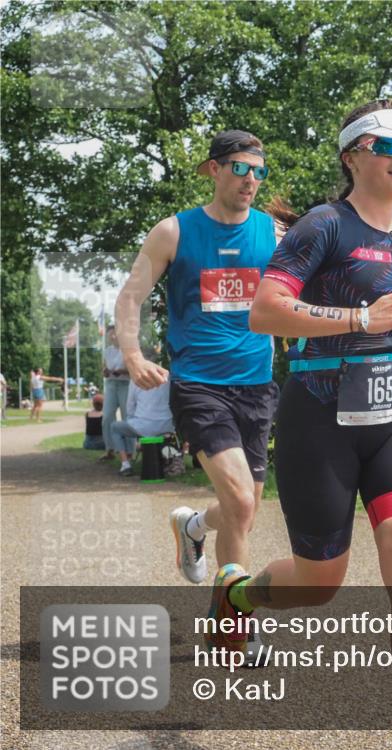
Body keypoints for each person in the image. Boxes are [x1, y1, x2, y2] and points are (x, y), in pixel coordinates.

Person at [208, 99, 392, 750]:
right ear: (353, 156)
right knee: (319, 585)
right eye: (389, 146)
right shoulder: (323, 227)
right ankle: (237, 595)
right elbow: (265, 312)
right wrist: (362, 319)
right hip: (320, 417)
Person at [114, 130, 280, 584]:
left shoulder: (272, 233)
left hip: (257, 385)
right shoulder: (174, 231)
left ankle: (193, 527)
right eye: (240, 168)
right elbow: (130, 298)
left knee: (244, 509)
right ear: (214, 169)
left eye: (259, 172)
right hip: (199, 385)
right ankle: (232, 616)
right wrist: (133, 356)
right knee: (240, 501)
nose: (250, 179)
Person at [108, 376, 174, 476]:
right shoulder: (168, 377)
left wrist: (132, 421)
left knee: (115, 427)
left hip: (144, 427)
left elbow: (130, 408)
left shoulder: (136, 379)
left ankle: (125, 465)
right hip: (167, 426)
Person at [99, 325, 131, 461]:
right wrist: (105, 372)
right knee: (107, 417)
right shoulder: (107, 351)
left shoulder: (128, 350)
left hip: (125, 384)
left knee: (127, 416)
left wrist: (122, 371)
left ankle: (129, 450)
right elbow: (104, 368)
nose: (112, 336)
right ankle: (110, 449)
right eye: (110, 334)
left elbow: (134, 370)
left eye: (115, 334)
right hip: (111, 384)